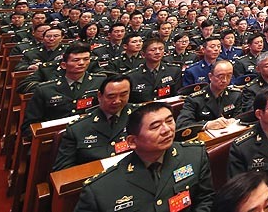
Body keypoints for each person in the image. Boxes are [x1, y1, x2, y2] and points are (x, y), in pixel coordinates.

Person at [74, 102, 214, 212]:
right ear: (132, 142)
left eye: (169, 121)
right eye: (155, 126)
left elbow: (205, 199)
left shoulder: (195, 155)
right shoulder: (100, 188)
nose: (166, 130)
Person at [22, 43, 105, 139]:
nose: (82, 63)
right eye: (76, 60)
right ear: (64, 65)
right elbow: (29, 126)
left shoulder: (100, 81)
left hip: (91, 134)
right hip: (55, 138)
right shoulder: (45, 89)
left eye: (86, 59)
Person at [53, 75, 133, 171]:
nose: (117, 101)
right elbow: (62, 171)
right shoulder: (77, 128)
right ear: (99, 96)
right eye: (111, 96)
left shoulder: (141, 116)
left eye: (124, 95)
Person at [177, 60, 243, 130]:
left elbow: (240, 117)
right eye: (221, 76)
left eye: (229, 76)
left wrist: (234, 120)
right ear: (210, 76)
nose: (225, 80)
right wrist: (206, 125)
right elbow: (182, 124)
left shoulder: (236, 95)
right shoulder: (194, 99)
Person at [127, 38, 182, 103]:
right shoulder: (132, 76)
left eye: (161, 49)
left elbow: (178, 97)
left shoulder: (174, 71)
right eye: (153, 50)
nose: (158, 52)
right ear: (143, 54)